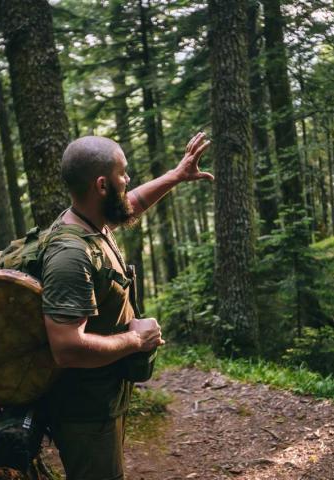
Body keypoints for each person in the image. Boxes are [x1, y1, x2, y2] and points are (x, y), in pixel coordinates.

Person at [40, 132, 212, 479]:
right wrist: (137, 340)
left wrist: (177, 175)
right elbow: (66, 348)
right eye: (123, 173)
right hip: (85, 411)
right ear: (102, 185)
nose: (128, 179)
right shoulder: (71, 256)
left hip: (102, 399)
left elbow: (131, 203)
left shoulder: (90, 220)